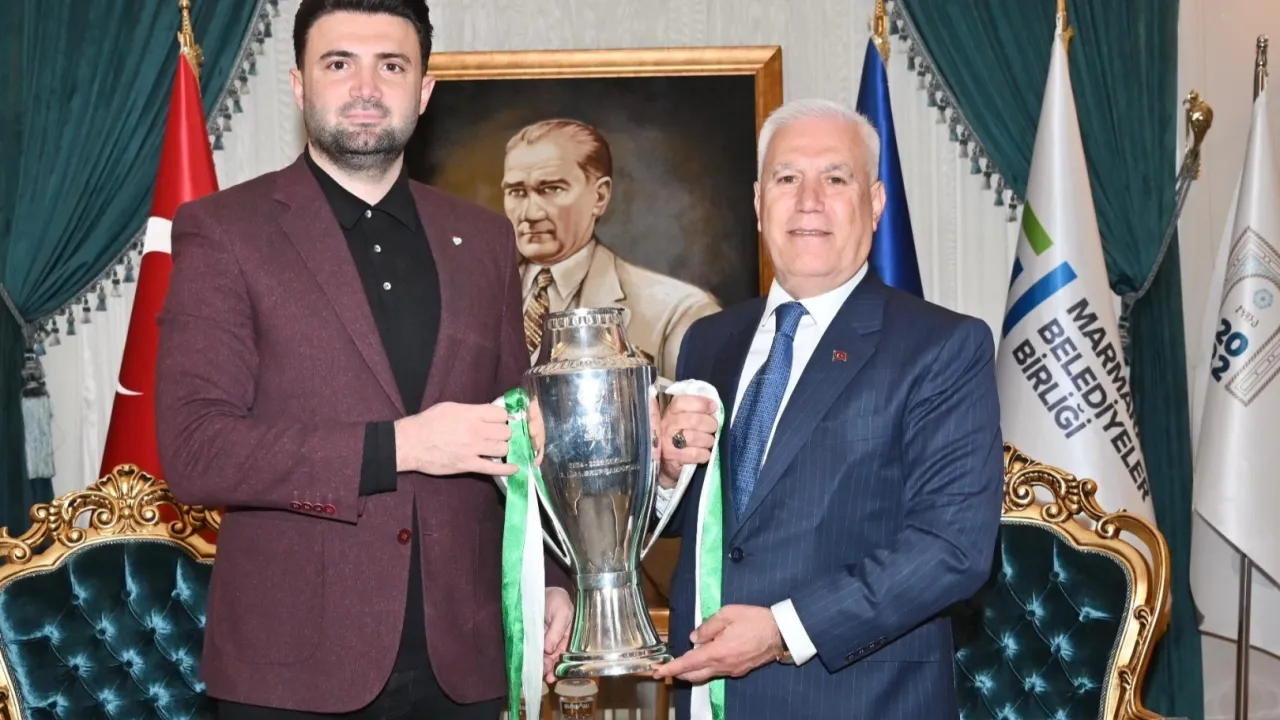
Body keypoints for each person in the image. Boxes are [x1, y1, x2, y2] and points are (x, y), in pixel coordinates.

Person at [153, 1, 572, 717]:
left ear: (424, 91)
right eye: (339, 63)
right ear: (299, 85)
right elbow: (197, 452)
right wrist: (400, 446)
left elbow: (517, 430)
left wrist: (552, 575)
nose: (367, 87)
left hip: (467, 661)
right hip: (292, 672)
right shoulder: (224, 232)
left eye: (392, 65)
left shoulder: (485, 239)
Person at [650, 98, 1004, 719]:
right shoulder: (709, 340)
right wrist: (669, 472)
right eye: (787, 178)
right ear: (758, 201)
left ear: (875, 203)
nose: (808, 200)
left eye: (835, 179)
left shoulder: (943, 345)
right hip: (707, 695)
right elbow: (710, 523)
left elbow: (952, 549)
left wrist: (782, 631)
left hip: (859, 701)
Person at [501, 118, 721, 381]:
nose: (530, 213)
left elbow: (698, 404)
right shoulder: (476, 299)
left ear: (600, 196)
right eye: (516, 192)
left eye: (551, 189)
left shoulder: (678, 312)